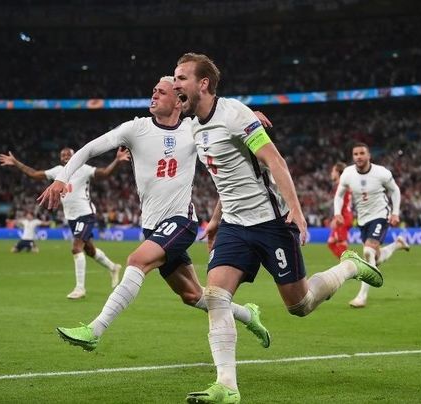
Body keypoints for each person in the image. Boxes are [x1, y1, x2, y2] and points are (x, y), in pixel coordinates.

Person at [173, 52, 383, 404]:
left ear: (203, 83)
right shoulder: (194, 125)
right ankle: (227, 385)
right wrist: (214, 220)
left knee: (299, 305)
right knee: (215, 296)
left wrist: (297, 212)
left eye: (181, 77)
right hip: (236, 228)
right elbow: (229, 177)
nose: (175, 83)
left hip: (271, 224)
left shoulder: (235, 115)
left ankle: (350, 266)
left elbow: (274, 160)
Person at [37, 76, 271, 352]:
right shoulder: (135, 128)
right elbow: (89, 149)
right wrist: (62, 177)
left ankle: (94, 329)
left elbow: (224, 119)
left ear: (177, 99)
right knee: (192, 295)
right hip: (152, 226)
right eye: (153, 91)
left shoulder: (193, 129)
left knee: (137, 260)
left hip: (181, 223)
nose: (154, 95)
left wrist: (247, 116)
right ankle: (248, 315)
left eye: (161, 92)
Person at [0, 147, 127, 298]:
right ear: (60, 158)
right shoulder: (57, 171)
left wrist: (117, 161)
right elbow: (34, 174)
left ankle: (80, 289)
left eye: (68, 154)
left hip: (86, 214)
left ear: (75, 156)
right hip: (71, 217)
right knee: (89, 250)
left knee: (76, 248)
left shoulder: (83, 169)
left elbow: (105, 173)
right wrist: (15, 162)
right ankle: (113, 267)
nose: (65, 156)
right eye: (63, 154)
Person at [333, 143, 409, 308]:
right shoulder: (348, 173)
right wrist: (336, 212)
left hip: (381, 214)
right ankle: (397, 245)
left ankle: (362, 297)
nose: (359, 156)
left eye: (362, 153)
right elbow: (339, 195)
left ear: (369, 156)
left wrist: (395, 212)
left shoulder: (381, 173)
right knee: (374, 257)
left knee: (368, 252)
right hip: (363, 219)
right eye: (355, 154)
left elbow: (395, 190)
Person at [327, 162, 353, 259]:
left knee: (341, 242)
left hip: (343, 217)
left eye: (333, 171)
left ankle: (350, 264)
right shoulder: (345, 185)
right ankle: (347, 263)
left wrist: (336, 218)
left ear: (338, 173)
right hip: (345, 215)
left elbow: (341, 203)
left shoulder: (341, 186)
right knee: (331, 242)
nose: (331, 173)